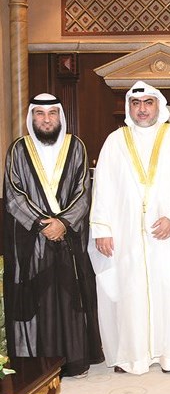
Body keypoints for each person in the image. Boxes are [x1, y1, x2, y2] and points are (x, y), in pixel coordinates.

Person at [88, 81, 170, 375]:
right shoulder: (115, 142)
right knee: (129, 291)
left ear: (158, 106)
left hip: (166, 234)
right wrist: (102, 228)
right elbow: (101, 188)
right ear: (129, 107)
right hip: (125, 233)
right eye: (136, 104)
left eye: (148, 103)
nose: (142, 110)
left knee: (169, 289)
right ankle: (132, 355)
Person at [3, 93, 103, 377]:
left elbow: (83, 191)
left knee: (69, 299)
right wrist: (43, 224)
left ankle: (73, 361)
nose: (46, 120)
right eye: (40, 114)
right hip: (31, 239)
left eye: (52, 114)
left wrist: (63, 223)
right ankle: (36, 366)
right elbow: (13, 194)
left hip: (68, 238)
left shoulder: (76, 146)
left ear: (60, 116)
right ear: (31, 117)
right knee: (36, 300)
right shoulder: (18, 149)